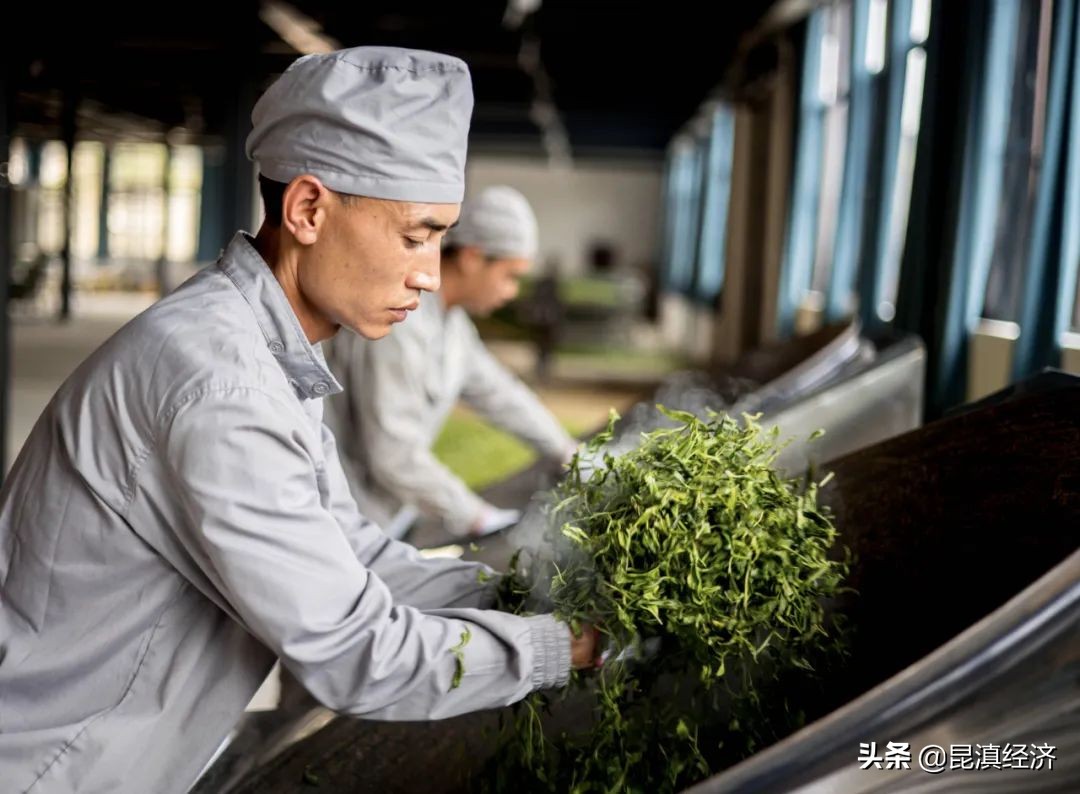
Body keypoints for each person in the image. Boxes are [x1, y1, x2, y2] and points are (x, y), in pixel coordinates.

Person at [0, 47, 597, 794]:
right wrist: (559, 648)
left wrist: (520, 592)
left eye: (442, 238)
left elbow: (360, 560)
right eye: (415, 235)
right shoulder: (222, 385)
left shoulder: (270, 352)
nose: (431, 273)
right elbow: (355, 654)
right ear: (308, 209)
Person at [325, 186, 578, 541]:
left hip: (389, 517)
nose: (511, 292)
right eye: (510, 276)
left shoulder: (452, 326)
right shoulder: (398, 323)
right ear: (473, 258)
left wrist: (566, 450)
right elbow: (392, 455)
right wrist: (475, 515)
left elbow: (498, 392)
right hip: (346, 521)